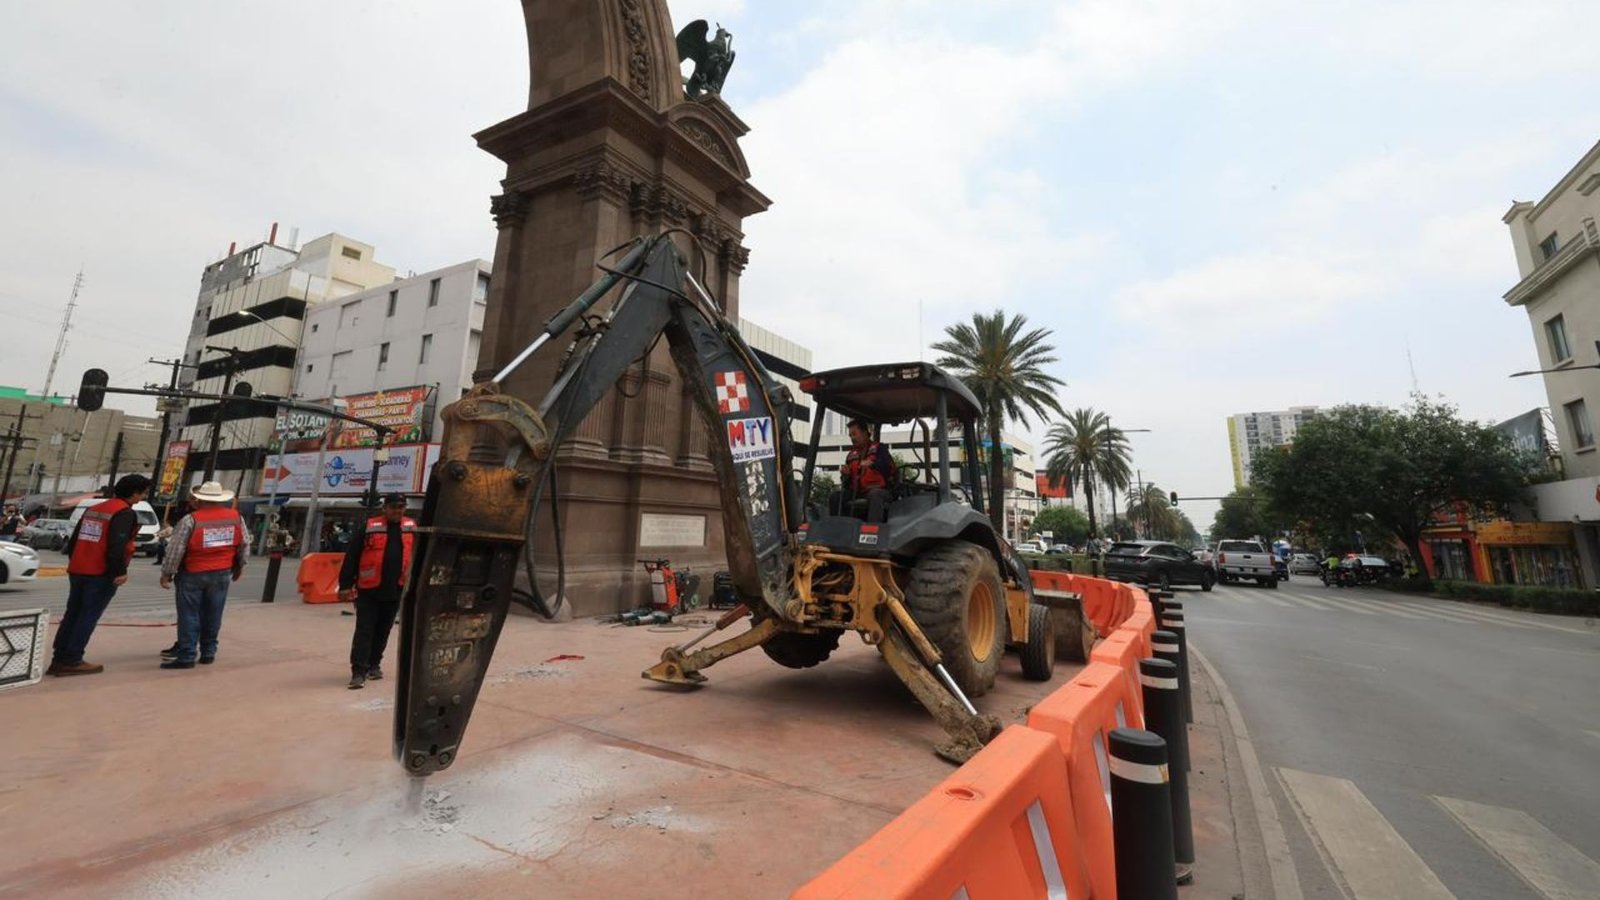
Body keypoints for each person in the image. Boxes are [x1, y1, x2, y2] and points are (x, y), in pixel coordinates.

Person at [47, 474, 151, 676]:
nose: (143, 497)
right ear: (134, 492)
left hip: (79, 569)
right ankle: (72, 659)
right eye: (143, 493)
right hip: (100, 573)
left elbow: (75, 541)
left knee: (73, 613)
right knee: (88, 615)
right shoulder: (124, 513)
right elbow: (116, 545)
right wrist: (119, 572)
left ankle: (59, 658)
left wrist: (76, 561)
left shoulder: (93, 509)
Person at [158, 482, 246, 669]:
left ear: (201, 499)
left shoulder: (191, 520)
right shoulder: (236, 517)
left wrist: (167, 573)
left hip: (193, 572)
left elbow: (176, 549)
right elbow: (244, 543)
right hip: (222, 572)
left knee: (189, 614)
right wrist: (240, 566)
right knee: (214, 613)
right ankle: (208, 652)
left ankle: (187, 655)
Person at [339, 493, 416, 690]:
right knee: (364, 631)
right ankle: (358, 672)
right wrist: (346, 585)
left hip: (396, 589)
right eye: (393, 507)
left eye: (401, 507)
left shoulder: (411, 528)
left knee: (383, 630)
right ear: (385, 508)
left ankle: (374, 664)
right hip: (369, 590)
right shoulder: (369, 527)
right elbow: (352, 556)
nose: (397, 511)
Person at [838, 418, 894, 521]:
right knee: (836, 496)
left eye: (854, 434)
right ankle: (838, 529)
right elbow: (846, 484)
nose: (852, 438)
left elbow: (888, 467)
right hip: (858, 492)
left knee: (875, 495)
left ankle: (872, 530)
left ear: (864, 433)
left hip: (880, 490)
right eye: (850, 435)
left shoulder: (879, 449)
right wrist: (845, 475)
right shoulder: (851, 455)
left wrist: (873, 464)